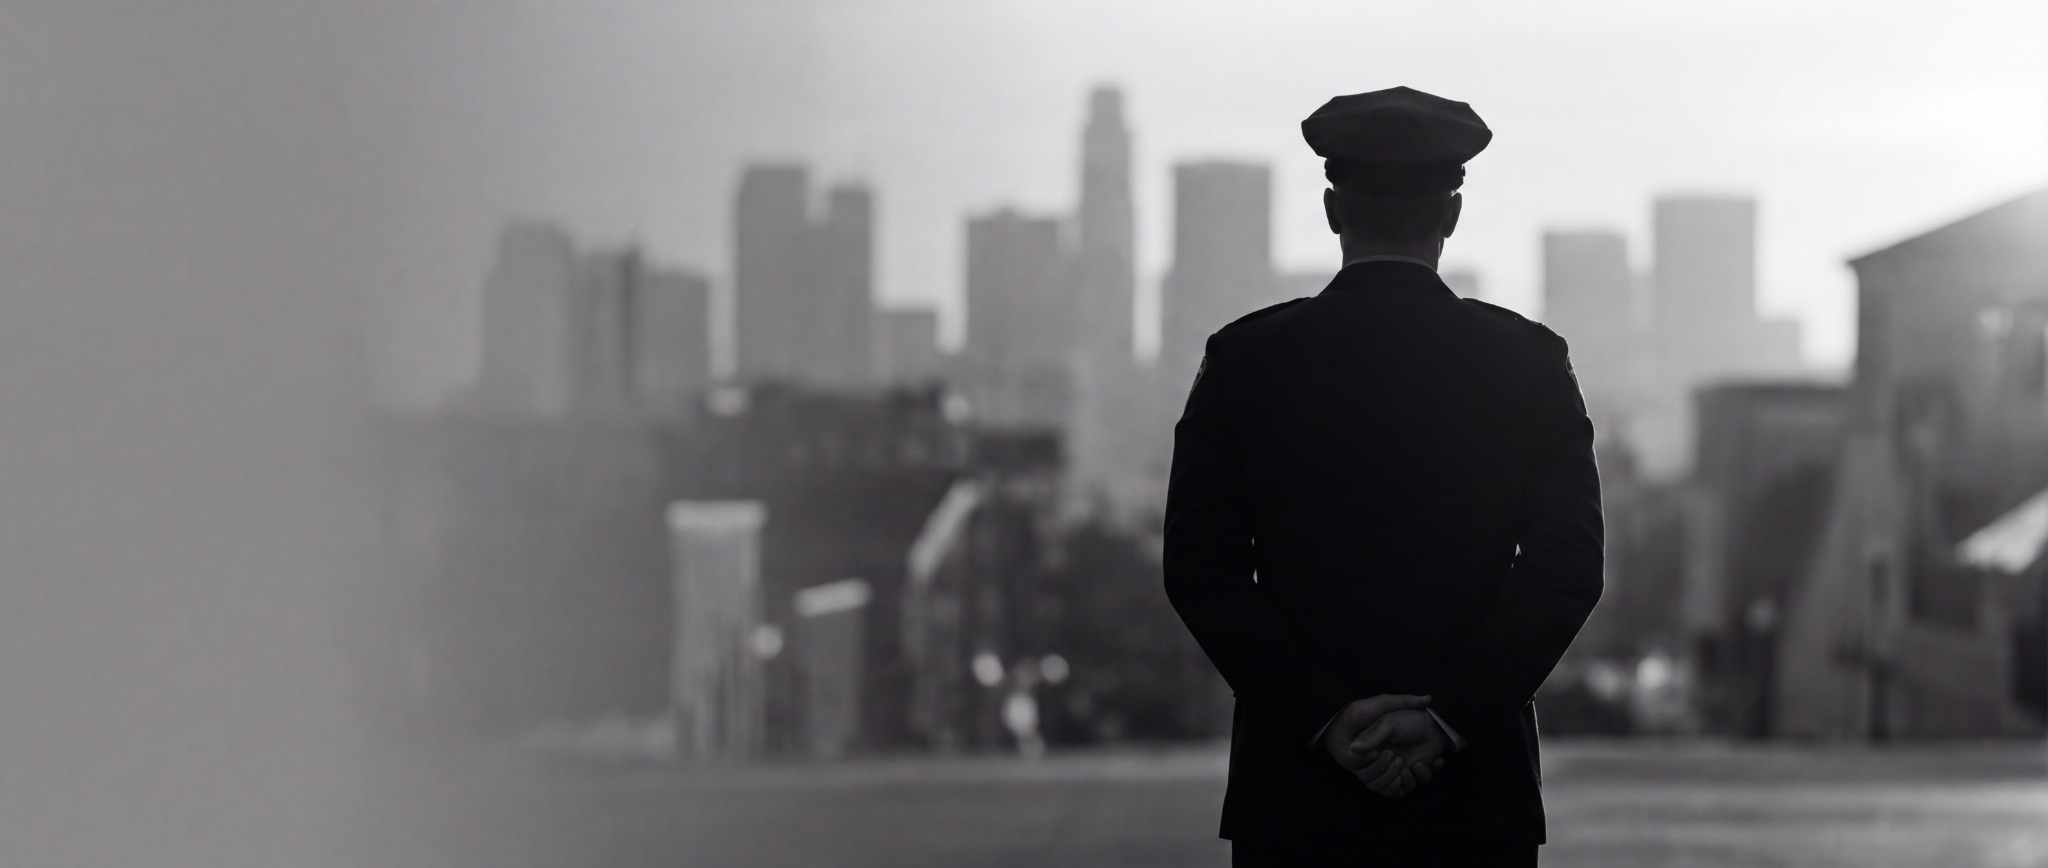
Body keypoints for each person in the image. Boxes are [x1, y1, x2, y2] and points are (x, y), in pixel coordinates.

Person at [1162, 86, 1605, 866]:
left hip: (1296, 796)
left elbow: (1202, 570)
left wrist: (1324, 717)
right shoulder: (1529, 363)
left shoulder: (1246, 360)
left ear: (1333, 210)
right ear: (1452, 215)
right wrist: (1451, 719)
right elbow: (1566, 570)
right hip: (1474, 797)